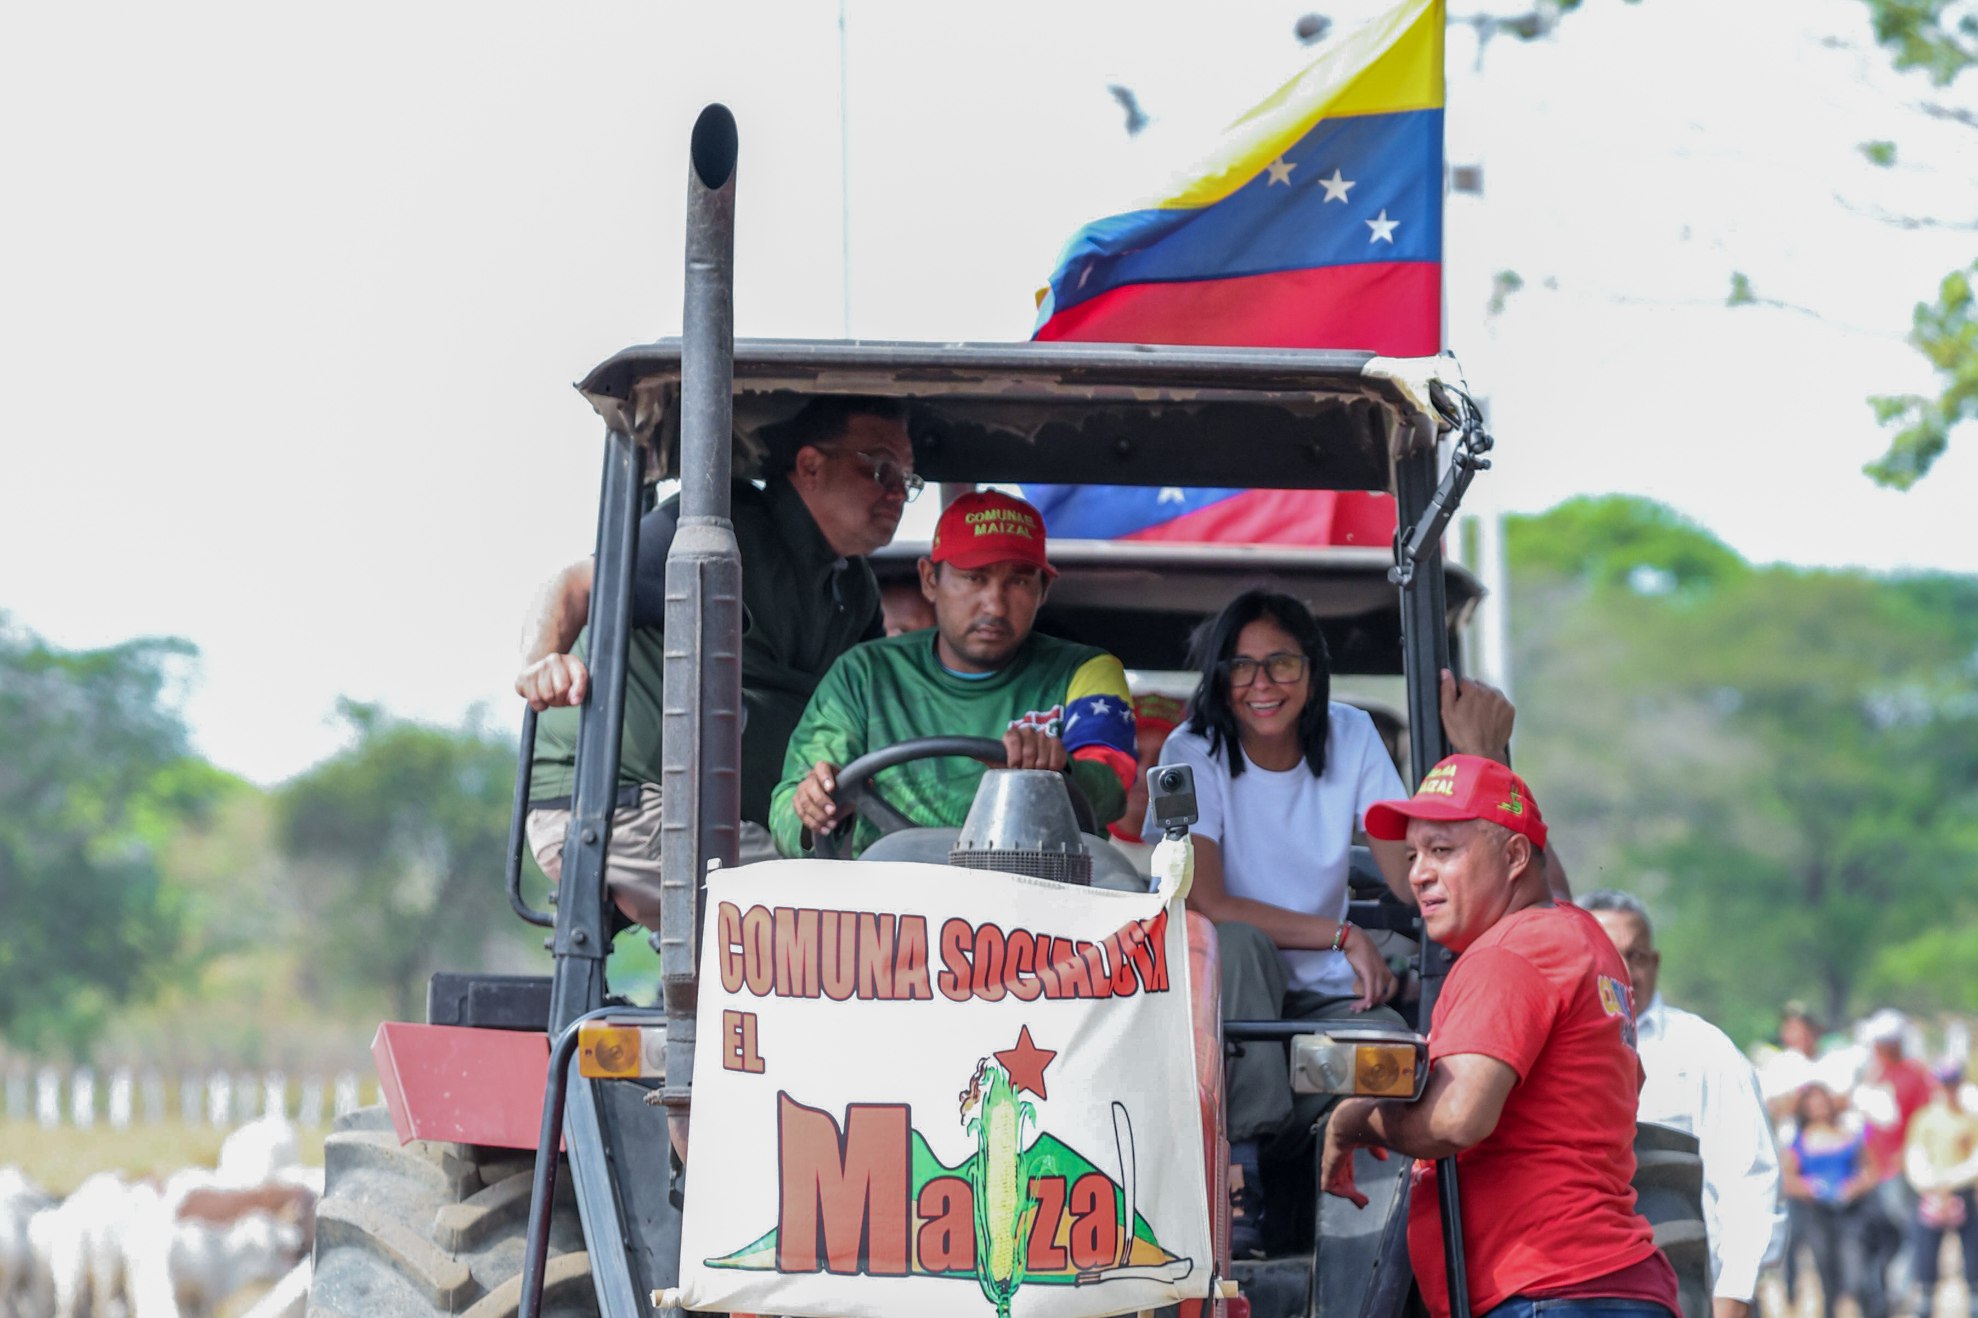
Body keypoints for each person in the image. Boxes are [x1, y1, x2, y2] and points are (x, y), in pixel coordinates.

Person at [1152, 590, 1516, 1257]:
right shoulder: (1192, 748)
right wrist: (1344, 935)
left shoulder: (1349, 736)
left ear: (1312, 670)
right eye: (1241, 667)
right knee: (1236, 944)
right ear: (1219, 678)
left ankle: (1368, 1236)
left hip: (1318, 1011)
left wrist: (1476, 764)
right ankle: (1242, 1181)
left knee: (1393, 1059)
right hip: (1222, 1010)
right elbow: (1209, 904)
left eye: (1281, 664)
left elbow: (1412, 876)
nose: (1262, 685)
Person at [517, 397, 917, 926]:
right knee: (833, 923)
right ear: (810, 465)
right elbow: (573, 586)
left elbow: (859, 720)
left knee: (901, 890)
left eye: (908, 481)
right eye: (881, 468)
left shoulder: (855, 590)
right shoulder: (721, 527)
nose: (896, 493)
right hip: (619, 807)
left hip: (727, 821)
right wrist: (541, 663)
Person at [1321, 755, 1681, 1318]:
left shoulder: (1509, 952)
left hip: (1546, 1292)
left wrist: (1353, 1118)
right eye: (1413, 855)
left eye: (1443, 851)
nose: (1417, 873)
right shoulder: (1582, 939)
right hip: (1612, 1283)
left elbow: (1457, 1118)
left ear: (1514, 855)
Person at [770, 490, 1137, 858]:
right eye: (974, 578)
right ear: (930, 579)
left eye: (1020, 581)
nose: (995, 604)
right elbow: (791, 808)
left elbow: (1112, 788)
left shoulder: (1086, 672)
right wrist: (813, 807)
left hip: (1039, 900)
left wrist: (1056, 774)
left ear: (1043, 590)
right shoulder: (863, 674)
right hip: (886, 903)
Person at [1584, 890, 1784, 1318]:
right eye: (1605, 954)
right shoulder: (1544, 1049)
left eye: (1633, 956)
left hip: (1683, 1295)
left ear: (1653, 963)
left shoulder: (1702, 1052)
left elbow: (1748, 1184)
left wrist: (1733, 1298)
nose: (1622, 971)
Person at [1783, 1081, 1885, 1318]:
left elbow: (1871, 1170)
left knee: (1856, 1275)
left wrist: (1855, 1186)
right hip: (1818, 1214)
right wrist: (1807, 1187)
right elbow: (1787, 1178)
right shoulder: (1799, 1141)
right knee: (1828, 1278)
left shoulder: (1848, 1135)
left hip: (1850, 1213)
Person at [1857, 1010, 1935, 1304]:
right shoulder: (1875, 1076)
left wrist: (1906, 1155)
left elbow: (1920, 1118)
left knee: (1910, 1227)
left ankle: (1903, 1287)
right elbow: (1869, 1125)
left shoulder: (1914, 1075)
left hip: (1900, 1167)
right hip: (1876, 1168)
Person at [1901, 1060, 1978, 1318]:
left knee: (1973, 1255)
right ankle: (1925, 1300)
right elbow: (1915, 1155)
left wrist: (1952, 1180)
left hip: (1961, 1192)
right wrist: (1930, 1183)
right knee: (1925, 1254)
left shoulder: (1969, 1119)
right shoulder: (1924, 1119)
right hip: (1930, 1194)